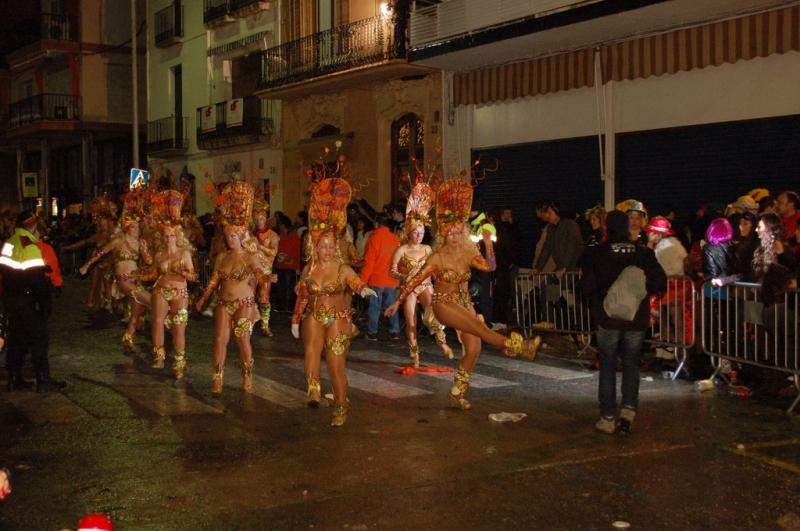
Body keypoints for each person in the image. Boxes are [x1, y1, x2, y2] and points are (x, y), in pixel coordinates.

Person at [386, 178, 541, 410]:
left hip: (464, 302)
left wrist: (488, 242)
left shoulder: (469, 253)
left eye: (459, 232)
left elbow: (490, 266)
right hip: (443, 304)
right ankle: (521, 346)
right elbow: (415, 279)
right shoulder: (437, 257)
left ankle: (457, 393)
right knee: (482, 329)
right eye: (450, 232)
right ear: (444, 234)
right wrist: (397, 301)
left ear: (464, 232)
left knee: (474, 348)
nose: (455, 236)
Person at [291, 177, 377, 426]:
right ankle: (313, 389)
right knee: (311, 350)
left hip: (338, 319)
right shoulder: (309, 268)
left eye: (331, 246)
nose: (327, 250)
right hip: (314, 316)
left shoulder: (342, 267)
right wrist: (295, 319)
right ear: (315, 247)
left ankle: (340, 406)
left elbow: (353, 280)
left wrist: (363, 289)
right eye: (323, 246)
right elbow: (303, 293)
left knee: (335, 366)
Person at [580, 210, 667, 434]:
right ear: (628, 227)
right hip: (635, 319)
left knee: (608, 365)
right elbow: (660, 282)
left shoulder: (598, 252)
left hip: (607, 318)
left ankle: (607, 417)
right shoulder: (643, 252)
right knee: (631, 364)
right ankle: (628, 413)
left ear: (607, 228)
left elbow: (586, 288)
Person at [197, 181, 271, 394]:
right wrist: (203, 298)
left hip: (244, 303)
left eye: (233, 236)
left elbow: (260, 275)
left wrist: (267, 280)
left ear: (241, 237)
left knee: (242, 339)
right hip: (223, 302)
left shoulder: (249, 257)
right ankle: (217, 377)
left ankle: (247, 375)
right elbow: (214, 280)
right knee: (220, 339)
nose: (230, 240)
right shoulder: (222, 256)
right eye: (227, 236)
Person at [389, 179, 453, 367]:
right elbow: (392, 270)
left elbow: (434, 269)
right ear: (409, 232)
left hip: (425, 285)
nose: (419, 235)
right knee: (411, 322)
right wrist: (403, 276)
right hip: (408, 288)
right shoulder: (401, 250)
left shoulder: (427, 249)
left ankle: (443, 344)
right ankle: (414, 353)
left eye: (422, 232)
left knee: (435, 314)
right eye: (416, 232)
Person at [0, 210, 66, 392]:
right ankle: (43, 379)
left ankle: (14, 378)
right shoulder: (29, 246)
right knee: (40, 337)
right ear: (34, 225)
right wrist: (45, 303)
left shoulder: (10, 242)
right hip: (26, 299)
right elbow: (36, 279)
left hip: (11, 297)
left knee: (17, 338)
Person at [80, 190, 152, 353]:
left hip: (135, 280)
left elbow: (148, 262)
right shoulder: (118, 240)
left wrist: (145, 250)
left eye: (137, 226)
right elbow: (101, 252)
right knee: (150, 299)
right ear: (126, 228)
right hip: (122, 280)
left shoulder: (140, 243)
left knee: (137, 311)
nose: (136, 229)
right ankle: (165, 319)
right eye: (132, 227)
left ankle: (128, 339)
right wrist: (87, 265)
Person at [139, 190, 197, 379]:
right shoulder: (159, 255)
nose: (168, 239)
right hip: (160, 290)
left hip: (179, 292)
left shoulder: (184, 253)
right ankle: (159, 356)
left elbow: (193, 277)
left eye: (171, 235)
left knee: (179, 327)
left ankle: (179, 361)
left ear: (177, 236)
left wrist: (182, 273)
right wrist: (139, 275)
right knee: (157, 322)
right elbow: (154, 274)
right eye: (165, 236)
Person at [360, 213, 401, 341]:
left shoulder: (373, 239)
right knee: (392, 306)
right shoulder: (395, 238)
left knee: (374, 308)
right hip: (392, 280)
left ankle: (372, 333)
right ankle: (395, 332)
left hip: (376, 280)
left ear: (376, 224)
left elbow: (368, 263)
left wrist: (362, 282)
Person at [491, 206, 522, 329]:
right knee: (501, 292)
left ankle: (502, 318)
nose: (509, 216)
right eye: (507, 213)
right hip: (501, 264)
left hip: (505, 264)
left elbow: (516, 240)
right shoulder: (498, 228)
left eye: (510, 213)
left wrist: (512, 260)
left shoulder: (510, 227)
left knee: (505, 290)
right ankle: (499, 318)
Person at [252, 198, 279, 336]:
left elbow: (274, 252)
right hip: (252, 269)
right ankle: (247, 323)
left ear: (265, 219)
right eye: (256, 219)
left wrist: (259, 246)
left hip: (265, 270)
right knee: (248, 296)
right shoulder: (250, 234)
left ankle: (265, 325)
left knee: (264, 297)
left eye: (260, 219)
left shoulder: (272, 235)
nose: (258, 222)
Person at [273, 216, 301, 312]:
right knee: (280, 287)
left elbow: (296, 250)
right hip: (280, 265)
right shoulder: (281, 235)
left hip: (290, 266)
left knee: (290, 287)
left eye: (280, 224)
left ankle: (290, 308)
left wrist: (288, 257)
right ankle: (281, 307)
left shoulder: (293, 235)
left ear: (283, 225)